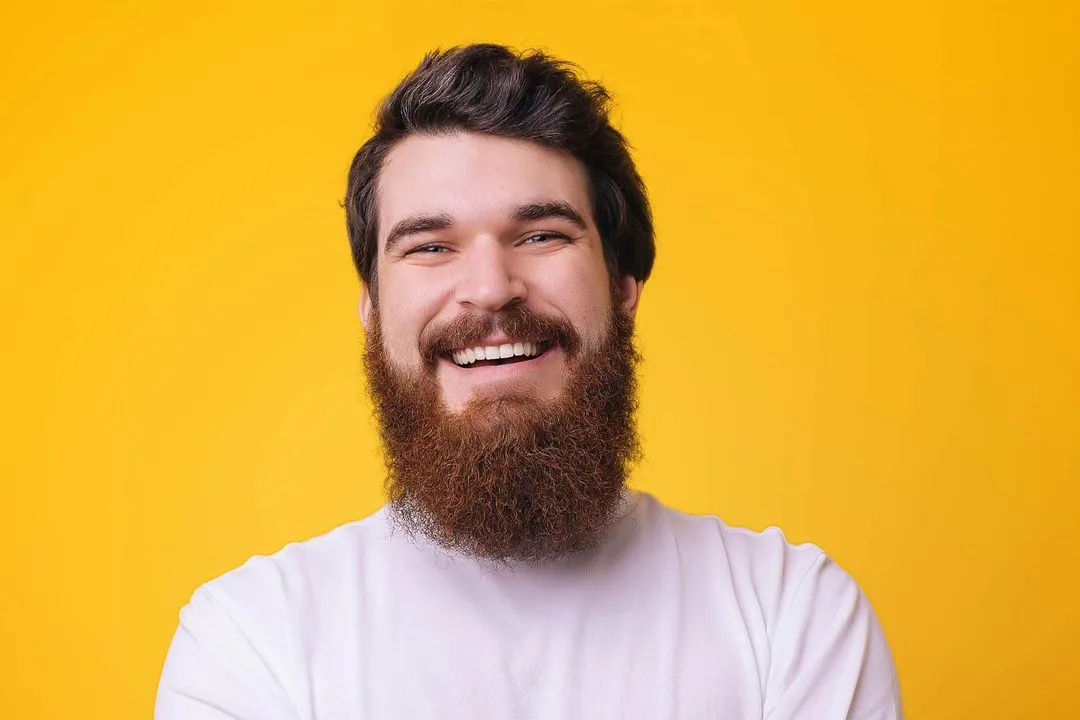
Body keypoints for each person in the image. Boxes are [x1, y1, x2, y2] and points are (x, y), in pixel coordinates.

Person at [155, 43, 903, 719]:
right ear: (373, 308)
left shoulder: (792, 616)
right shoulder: (251, 641)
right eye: (430, 245)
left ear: (621, 285)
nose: (489, 289)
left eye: (541, 235)